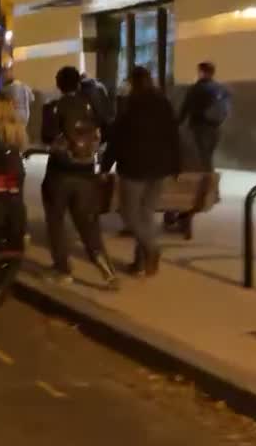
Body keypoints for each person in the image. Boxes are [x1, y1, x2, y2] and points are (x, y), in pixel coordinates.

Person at [41, 66, 117, 287]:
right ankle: (107, 270)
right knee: (88, 224)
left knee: (56, 222)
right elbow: (106, 132)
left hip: (60, 173)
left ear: (59, 84)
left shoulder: (53, 107)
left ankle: (62, 269)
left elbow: (47, 136)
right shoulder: (92, 106)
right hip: (86, 172)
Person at [103, 66, 181, 277]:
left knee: (129, 214)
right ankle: (141, 263)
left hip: (135, 168)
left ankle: (151, 249)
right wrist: (176, 164)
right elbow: (174, 134)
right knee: (146, 215)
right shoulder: (163, 103)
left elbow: (117, 139)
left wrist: (104, 166)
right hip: (160, 168)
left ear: (133, 83)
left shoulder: (130, 105)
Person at [177, 62, 230, 172]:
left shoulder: (196, 88)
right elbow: (226, 108)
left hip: (200, 126)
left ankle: (209, 183)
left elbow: (185, 107)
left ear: (201, 72)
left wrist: (178, 122)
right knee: (208, 155)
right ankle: (210, 182)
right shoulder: (221, 88)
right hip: (216, 126)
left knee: (203, 157)